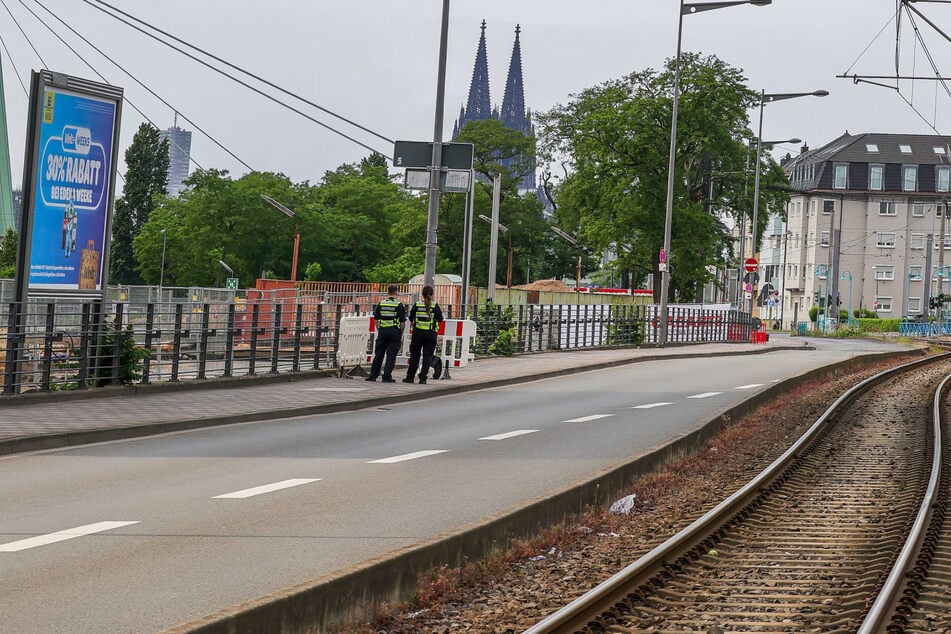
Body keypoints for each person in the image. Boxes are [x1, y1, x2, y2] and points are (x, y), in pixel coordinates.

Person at [403, 285, 444, 384]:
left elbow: (411, 317)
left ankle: (410, 377)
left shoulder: (417, 305)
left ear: (422, 294)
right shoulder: (435, 306)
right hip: (430, 334)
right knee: (427, 357)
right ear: (432, 294)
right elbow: (440, 319)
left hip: (418, 333)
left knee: (414, 356)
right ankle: (423, 378)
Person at [366, 285, 406, 383]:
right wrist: (400, 333)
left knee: (379, 354)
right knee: (391, 354)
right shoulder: (399, 305)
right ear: (396, 292)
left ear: (387, 292)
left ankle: (373, 376)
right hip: (394, 331)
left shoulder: (381, 303)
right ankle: (387, 376)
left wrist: (379, 329)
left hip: (383, 331)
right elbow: (402, 322)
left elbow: (376, 319)